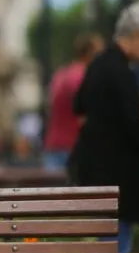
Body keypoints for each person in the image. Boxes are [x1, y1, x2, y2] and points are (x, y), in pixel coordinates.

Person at [72, 3, 139, 253]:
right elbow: (131, 125)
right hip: (119, 178)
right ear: (137, 35)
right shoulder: (121, 71)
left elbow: (79, 105)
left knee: (108, 246)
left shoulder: (99, 63)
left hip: (97, 173)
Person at [42, 32, 104, 171]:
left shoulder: (61, 74)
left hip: (53, 146)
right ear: (90, 53)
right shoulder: (83, 76)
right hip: (74, 149)